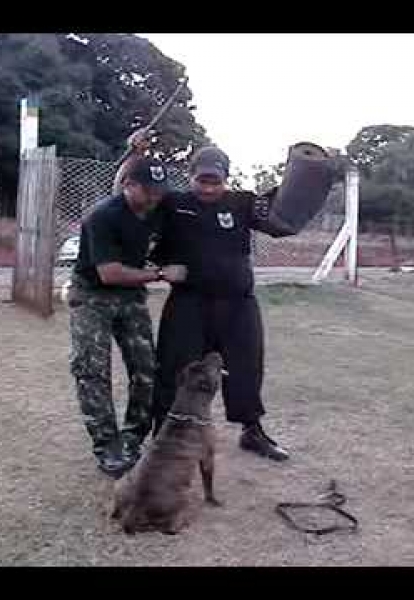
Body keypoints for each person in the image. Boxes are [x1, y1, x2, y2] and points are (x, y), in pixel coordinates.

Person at [115, 131, 295, 462]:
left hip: (239, 304)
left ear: (227, 178)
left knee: (246, 368)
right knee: (173, 370)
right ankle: (163, 434)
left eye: (216, 182)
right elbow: (126, 199)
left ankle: (251, 431)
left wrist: (303, 181)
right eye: (202, 181)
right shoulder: (172, 203)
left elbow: (282, 223)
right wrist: (133, 153)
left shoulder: (243, 202)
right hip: (188, 303)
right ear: (190, 175)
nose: (209, 189)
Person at [69, 155, 186, 478]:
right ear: (128, 186)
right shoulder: (101, 217)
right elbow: (109, 274)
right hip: (92, 294)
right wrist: (162, 273)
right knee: (92, 370)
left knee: (147, 367)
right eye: (148, 190)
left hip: (130, 296)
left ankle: (133, 437)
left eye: (159, 190)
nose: (155, 196)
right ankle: (107, 446)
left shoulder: (157, 207)